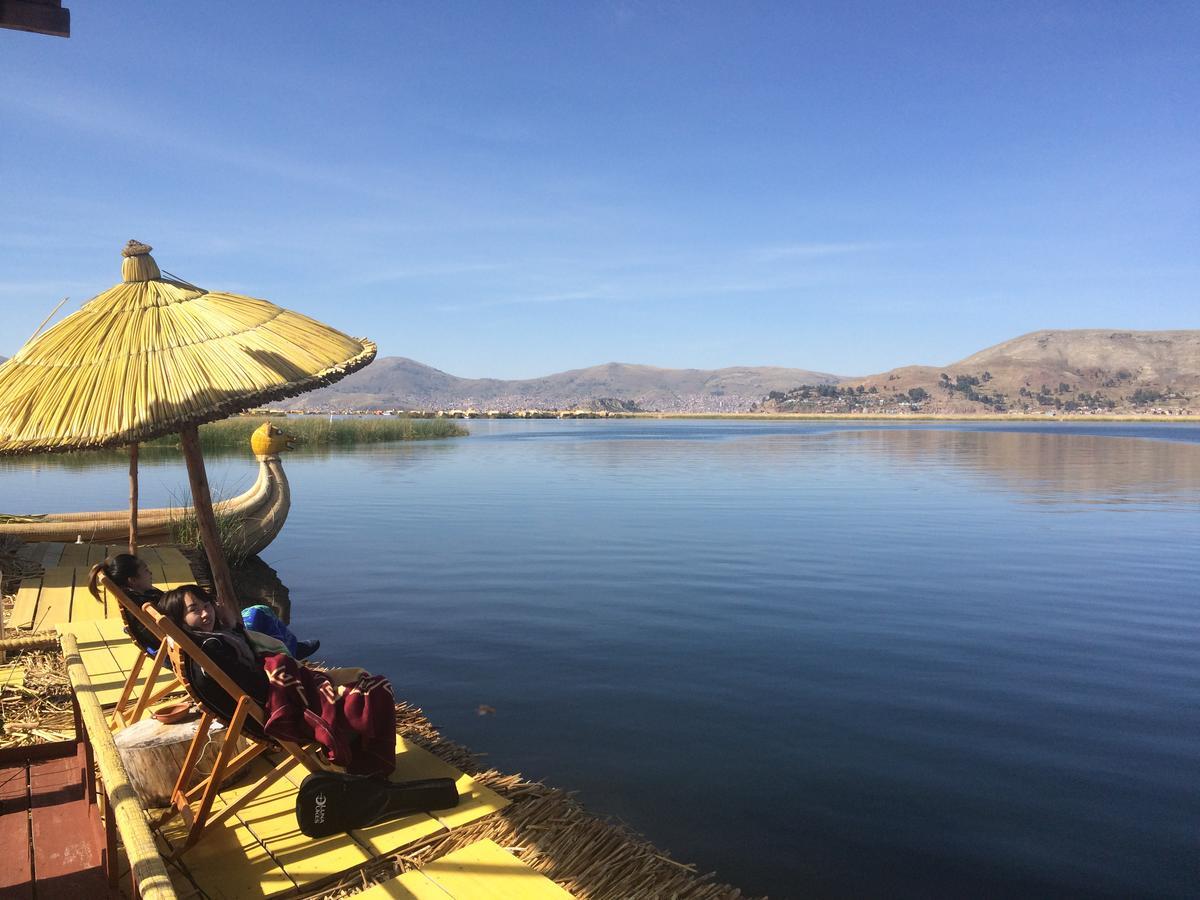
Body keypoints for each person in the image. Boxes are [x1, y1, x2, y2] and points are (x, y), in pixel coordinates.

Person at [90, 553, 319, 660]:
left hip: (183, 646)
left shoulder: (138, 601)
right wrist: (224, 621)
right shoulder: (147, 604)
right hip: (205, 642)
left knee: (255, 614)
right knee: (259, 612)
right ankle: (291, 651)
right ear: (132, 580)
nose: (150, 571)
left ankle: (289, 647)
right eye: (145, 569)